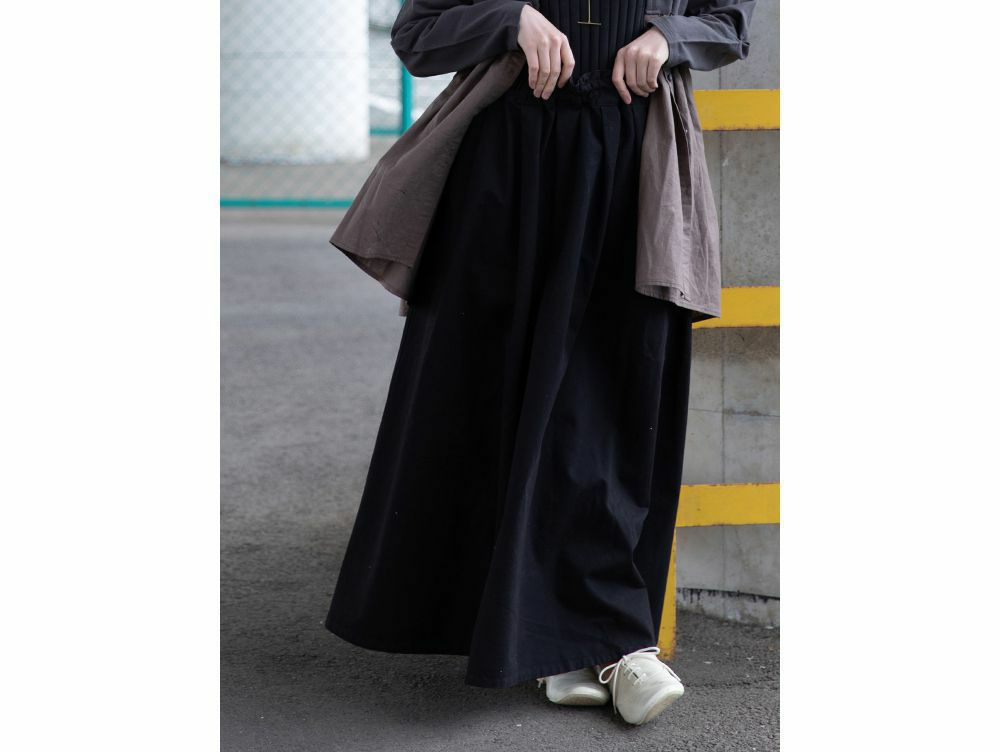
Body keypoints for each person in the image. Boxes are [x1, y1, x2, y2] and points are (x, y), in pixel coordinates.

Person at [325, 0, 754, 726]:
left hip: (634, 167)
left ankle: (611, 642)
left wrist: (667, 36)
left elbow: (730, 20)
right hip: (507, 169)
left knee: (612, 406)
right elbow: (418, 34)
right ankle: (559, 644)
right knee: (491, 397)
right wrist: (510, 20)